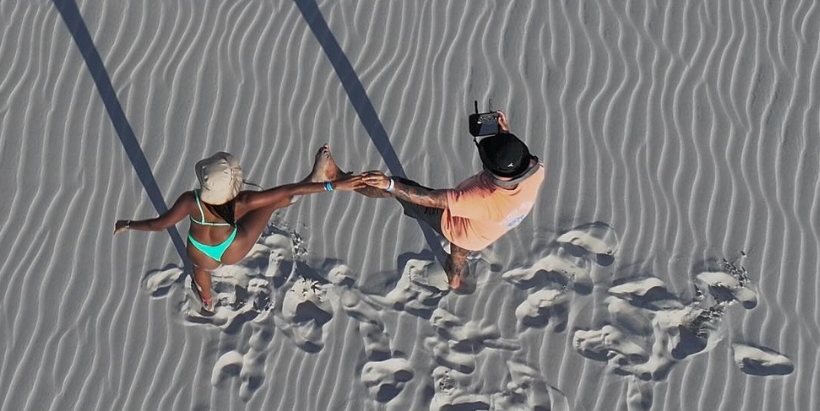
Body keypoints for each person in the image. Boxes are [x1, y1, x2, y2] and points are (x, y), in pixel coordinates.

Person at [115, 145, 364, 311]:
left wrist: (127, 224)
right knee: (269, 205)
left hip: (200, 253)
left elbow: (159, 225)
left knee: (201, 269)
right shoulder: (242, 202)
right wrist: (331, 187)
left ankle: (207, 301)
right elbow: (288, 190)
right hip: (232, 249)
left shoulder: (189, 202)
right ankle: (315, 177)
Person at [357, 111, 544, 291]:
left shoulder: (480, 198)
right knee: (460, 252)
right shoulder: (536, 170)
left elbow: (429, 198)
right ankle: (454, 280)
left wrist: (389, 184)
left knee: (399, 189)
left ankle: (339, 180)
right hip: (481, 232)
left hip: (454, 225)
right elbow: (513, 161)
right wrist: (505, 137)